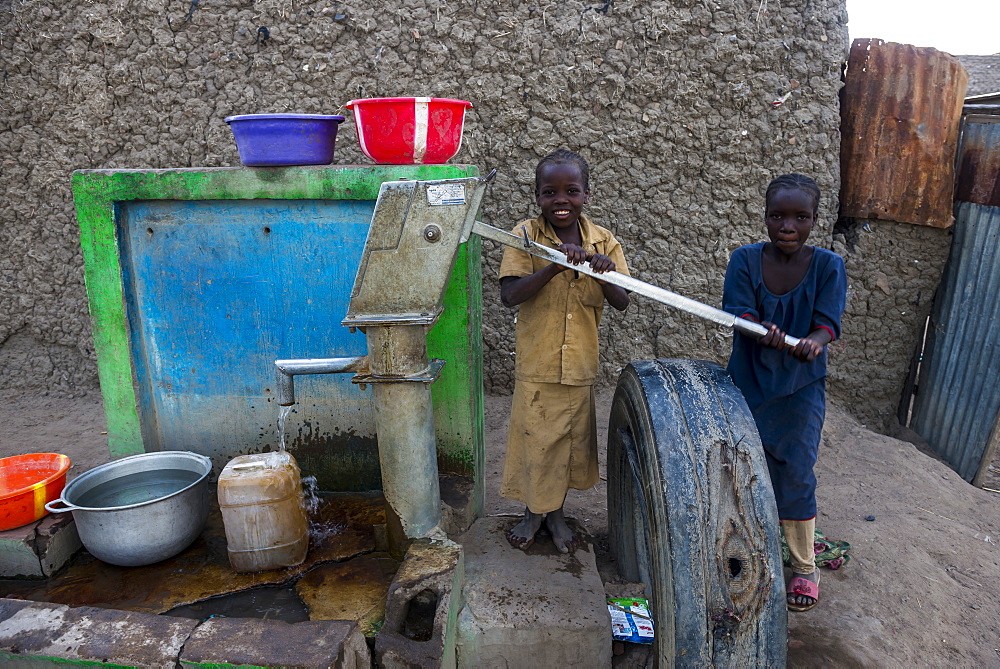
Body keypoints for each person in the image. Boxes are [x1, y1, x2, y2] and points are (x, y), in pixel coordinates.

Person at [722, 173, 847, 612]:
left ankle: (804, 566)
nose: (788, 226)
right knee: (741, 464)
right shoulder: (744, 260)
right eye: (778, 216)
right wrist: (760, 330)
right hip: (749, 379)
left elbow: (828, 322)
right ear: (765, 217)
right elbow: (738, 313)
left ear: (814, 220)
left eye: (800, 217)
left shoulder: (829, 266)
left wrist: (814, 340)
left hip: (800, 386)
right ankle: (746, 546)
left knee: (796, 470)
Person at [498, 149, 630, 553]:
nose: (561, 200)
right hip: (538, 364)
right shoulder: (525, 235)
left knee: (569, 445)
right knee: (536, 441)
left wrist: (601, 271)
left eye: (571, 191)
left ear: (586, 194)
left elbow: (623, 300)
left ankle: (554, 515)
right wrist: (554, 265)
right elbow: (510, 294)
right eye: (549, 192)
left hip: (578, 365)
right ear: (537, 196)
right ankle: (532, 514)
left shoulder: (604, 241)